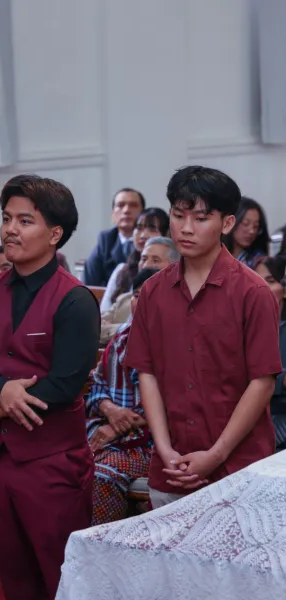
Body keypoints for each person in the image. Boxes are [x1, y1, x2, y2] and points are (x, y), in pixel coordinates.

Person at [0, 174, 100, 600]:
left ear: (55, 234)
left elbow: (66, 383)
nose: (10, 230)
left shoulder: (75, 299)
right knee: (14, 576)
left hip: (53, 461)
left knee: (62, 577)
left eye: (24, 221)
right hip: (0, 457)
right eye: (6, 218)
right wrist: (3, 392)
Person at [125, 165, 282, 510]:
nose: (186, 228)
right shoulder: (152, 291)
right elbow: (146, 373)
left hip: (239, 469)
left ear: (226, 223)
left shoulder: (253, 292)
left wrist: (216, 454)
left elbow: (262, 382)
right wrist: (164, 449)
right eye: (178, 215)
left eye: (200, 218)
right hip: (172, 467)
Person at [87, 268, 158, 525]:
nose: (141, 301)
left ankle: (104, 543)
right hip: (110, 429)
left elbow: (169, 404)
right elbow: (97, 383)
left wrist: (117, 426)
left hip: (154, 442)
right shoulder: (120, 340)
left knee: (102, 473)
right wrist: (110, 409)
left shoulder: (178, 344)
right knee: (66, 463)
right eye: (137, 295)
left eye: (151, 295)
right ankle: (67, 544)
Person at [100, 237, 179, 345]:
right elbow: (95, 328)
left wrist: (118, 329)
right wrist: (126, 329)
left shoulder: (179, 303)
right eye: (144, 259)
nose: (146, 265)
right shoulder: (124, 299)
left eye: (156, 260)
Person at [100, 207, 169, 311]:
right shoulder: (122, 270)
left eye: (152, 229)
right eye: (139, 228)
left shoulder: (169, 270)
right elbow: (104, 312)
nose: (143, 235)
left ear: (166, 235)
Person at [253, 255, 286, 451]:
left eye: (270, 280)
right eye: (256, 279)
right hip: (246, 424)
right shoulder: (237, 331)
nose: (261, 286)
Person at [83, 188, 145, 286]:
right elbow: (89, 282)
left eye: (133, 205)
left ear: (143, 214)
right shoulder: (106, 241)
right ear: (113, 215)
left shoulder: (151, 242)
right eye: (120, 205)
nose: (126, 210)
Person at [223, 197, 269, 268]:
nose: (251, 231)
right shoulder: (214, 253)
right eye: (245, 224)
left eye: (256, 226)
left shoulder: (257, 261)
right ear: (230, 222)